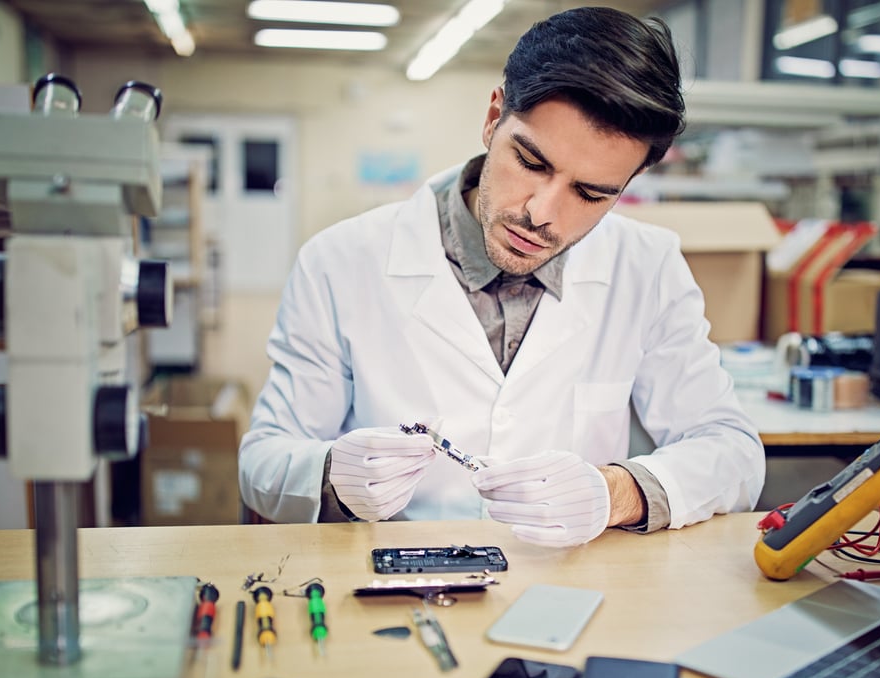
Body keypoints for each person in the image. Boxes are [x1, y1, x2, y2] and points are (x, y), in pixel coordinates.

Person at [239, 6, 765, 546]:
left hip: (569, 591)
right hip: (392, 580)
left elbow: (732, 450)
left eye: (590, 194)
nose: (543, 213)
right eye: (532, 163)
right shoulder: (341, 260)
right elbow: (262, 460)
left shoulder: (646, 265)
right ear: (494, 118)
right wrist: (330, 474)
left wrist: (616, 492)